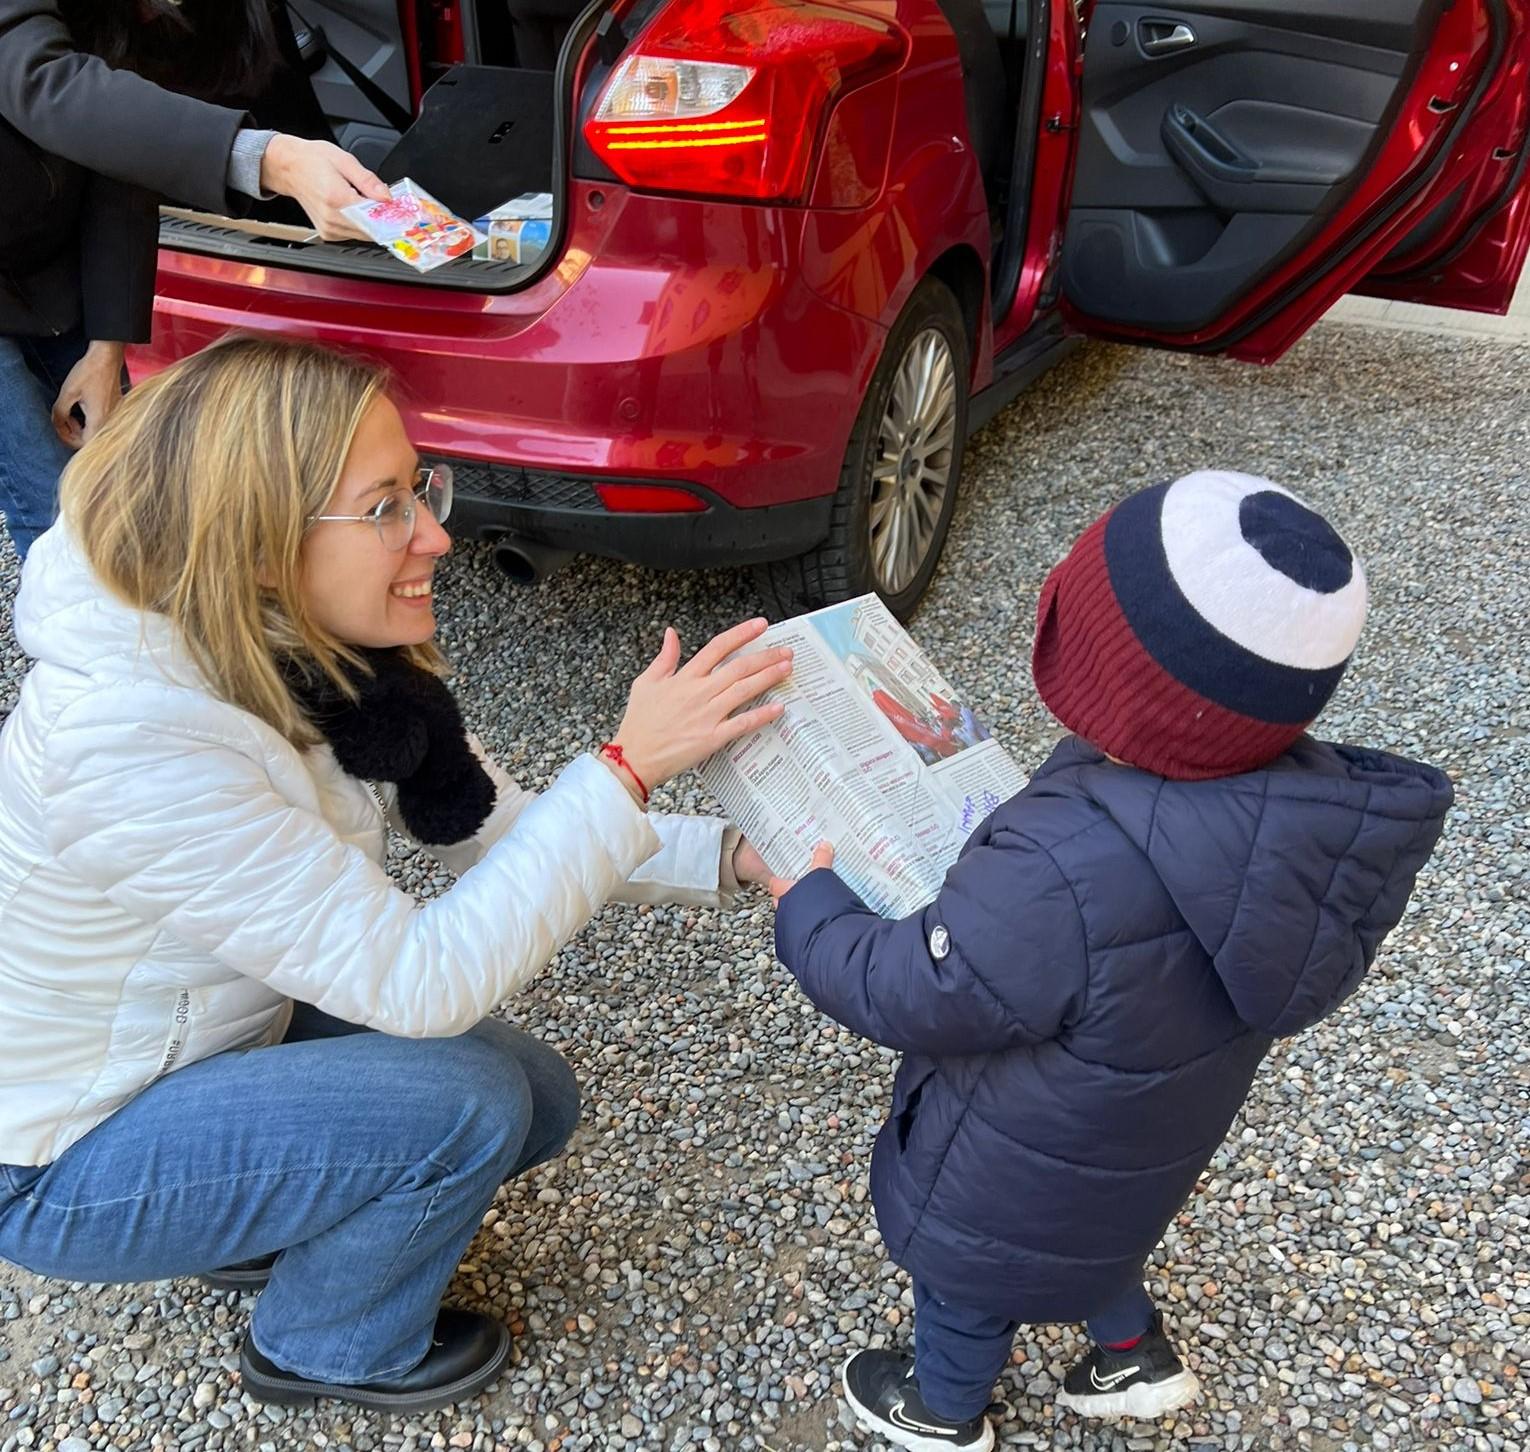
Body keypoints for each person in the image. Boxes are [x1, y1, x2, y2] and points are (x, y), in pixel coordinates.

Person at [0, 333, 791, 1414]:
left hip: (199, 1042)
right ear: (261, 539)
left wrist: (735, 857)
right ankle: (324, 1343)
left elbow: (483, 823)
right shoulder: (132, 741)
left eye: (420, 487)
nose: (436, 533)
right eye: (386, 508)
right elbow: (421, 982)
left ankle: (266, 1213)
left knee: (536, 1100)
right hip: (56, 1158)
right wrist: (625, 766)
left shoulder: (289, 645)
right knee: (466, 1102)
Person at [771, 471, 1453, 1450]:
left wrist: (811, 907)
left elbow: (915, 990)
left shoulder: (1063, 865)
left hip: (1009, 1162)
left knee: (969, 1276)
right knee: (1096, 1238)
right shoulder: (1291, 829)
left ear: (1107, 671)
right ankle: (1134, 1356)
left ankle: (943, 1408)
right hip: (1139, 1149)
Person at [0, 0, 392, 557]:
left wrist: (107, 349)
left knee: (127, 492)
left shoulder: (136, 20)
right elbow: (48, 86)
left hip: (45, 256)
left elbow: (124, 161)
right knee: (53, 513)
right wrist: (271, 160)